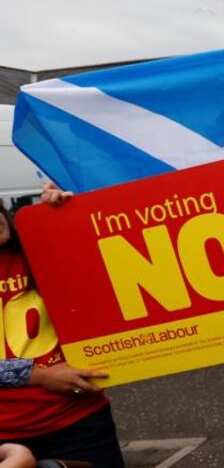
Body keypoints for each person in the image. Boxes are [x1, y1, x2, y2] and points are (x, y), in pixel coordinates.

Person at [0, 196, 125, 467]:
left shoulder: (36, 242)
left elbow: (108, 254)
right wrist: (39, 376)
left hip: (79, 421)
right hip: (6, 439)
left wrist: (67, 211)